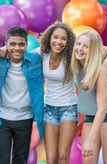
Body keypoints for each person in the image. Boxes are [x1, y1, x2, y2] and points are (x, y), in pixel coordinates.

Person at [0, 26, 44, 164]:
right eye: (13, 44)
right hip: (1, 118)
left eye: (21, 44)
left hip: (25, 118)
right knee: (3, 159)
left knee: (20, 159)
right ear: (6, 44)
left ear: (27, 45)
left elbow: (52, 47)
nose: (17, 48)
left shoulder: (35, 60)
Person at [71, 30, 107, 164]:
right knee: (88, 159)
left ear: (93, 50)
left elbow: (102, 108)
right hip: (91, 114)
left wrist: (90, 140)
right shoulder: (77, 62)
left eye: (86, 46)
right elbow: (105, 49)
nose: (80, 49)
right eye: (79, 44)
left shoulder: (101, 69)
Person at [37, 21, 78, 164]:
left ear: (69, 42)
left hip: (69, 108)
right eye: (56, 37)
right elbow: (21, 56)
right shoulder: (42, 53)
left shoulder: (72, 57)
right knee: (51, 158)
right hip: (49, 108)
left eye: (64, 39)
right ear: (49, 37)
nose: (59, 42)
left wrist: (79, 45)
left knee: (62, 156)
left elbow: (103, 50)